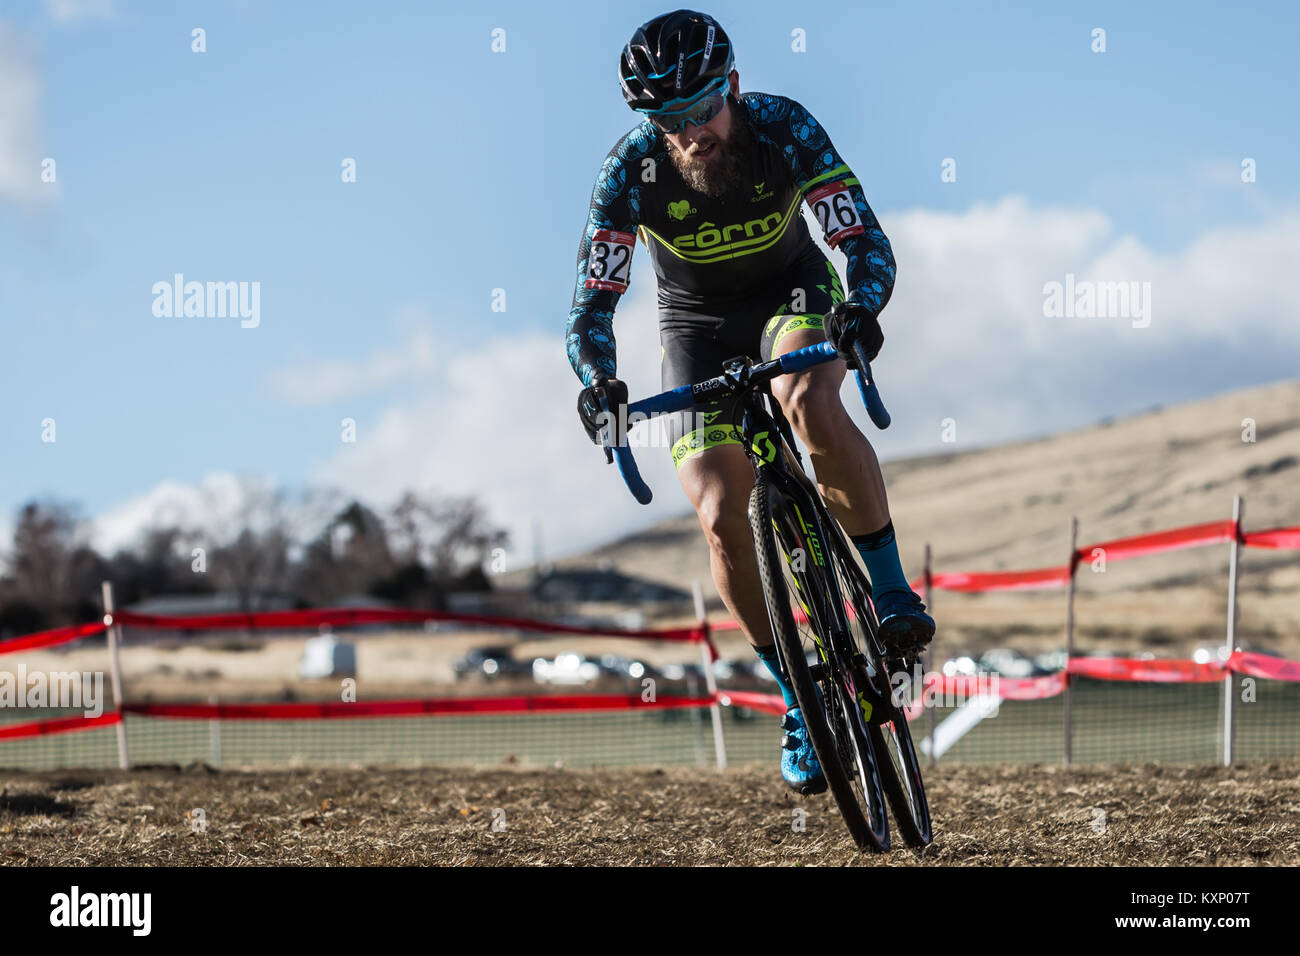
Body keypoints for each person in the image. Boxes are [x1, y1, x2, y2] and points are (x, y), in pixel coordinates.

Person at [567, 10, 934, 795]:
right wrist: (598, 381)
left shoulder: (782, 127)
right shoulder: (627, 172)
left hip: (792, 294)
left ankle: (892, 588)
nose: (691, 132)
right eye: (668, 119)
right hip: (694, 325)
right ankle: (800, 693)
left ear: (731, 87)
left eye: (702, 109)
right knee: (713, 502)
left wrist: (860, 308)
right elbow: (591, 306)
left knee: (806, 396)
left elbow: (863, 240)